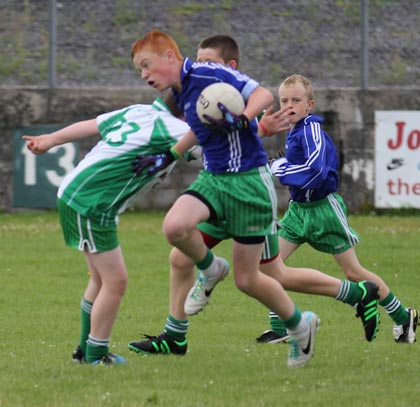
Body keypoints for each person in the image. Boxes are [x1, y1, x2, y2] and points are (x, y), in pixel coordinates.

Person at [127, 30, 380, 367]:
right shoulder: (182, 92)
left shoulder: (211, 77)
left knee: (257, 278)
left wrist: (245, 121)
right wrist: (169, 156)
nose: (144, 74)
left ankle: (320, 313)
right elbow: (203, 131)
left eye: (147, 65)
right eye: (139, 69)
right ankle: (179, 329)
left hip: (248, 186)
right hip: (216, 182)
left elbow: (260, 96)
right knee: (177, 239)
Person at [22, 98, 197, 365]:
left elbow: (91, 125)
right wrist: (258, 127)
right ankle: (95, 355)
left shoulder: (140, 111)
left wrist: (51, 140)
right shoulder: (172, 126)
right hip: (93, 203)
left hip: (79, 195)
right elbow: (212, 137)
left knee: (101, 279)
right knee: (116, 282)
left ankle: (84, 350)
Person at [267, 74, 420, 344]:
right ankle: (280, 328)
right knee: (270, 265)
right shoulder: (293, 131)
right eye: (284, 100)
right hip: (297, 211)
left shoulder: (312, 130)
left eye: (296, 100)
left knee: (354, 273)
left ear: (310, 105)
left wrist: (282, 170)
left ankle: (403, 317)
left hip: (323, 211)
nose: (289, 105)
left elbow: (316, 170)